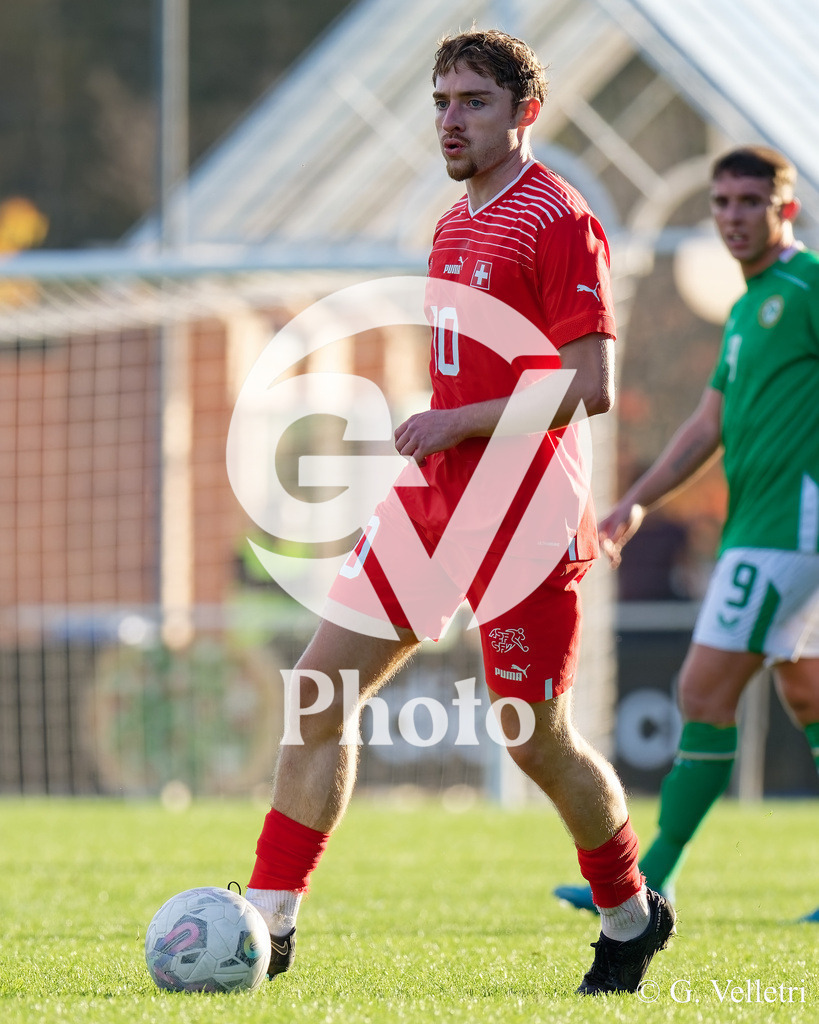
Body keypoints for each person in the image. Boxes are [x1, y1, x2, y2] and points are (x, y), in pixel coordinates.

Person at [244, 29, 675, 995]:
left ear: (524, 112)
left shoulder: (556, 218)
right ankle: (267, 923)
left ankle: (628, 913)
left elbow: (589, 383)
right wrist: (430, 446)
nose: (450, 118)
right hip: (431, 506)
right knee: (317, 690)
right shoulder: (453, 219)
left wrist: (456, 423)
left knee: (532, 736)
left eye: (473, 101)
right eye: (440, 101)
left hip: (521, 518)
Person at [554, 145, 819, 921]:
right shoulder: (745, 307)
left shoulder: (805, 287)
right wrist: (634, 500)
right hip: (759, 526)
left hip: (786, 532)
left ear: (785, 209)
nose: (732, 217)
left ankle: (650, 875)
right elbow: (708, 423)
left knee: (702, 690)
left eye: (749, 202)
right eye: (721, 203)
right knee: (806, 694)